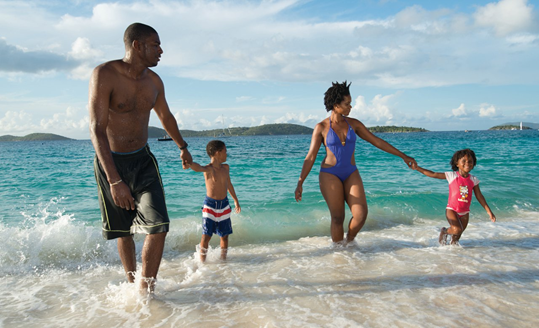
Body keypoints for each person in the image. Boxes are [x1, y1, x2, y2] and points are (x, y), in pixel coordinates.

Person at [89, 22, 192, 293]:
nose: (161, 50)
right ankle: (132, 282)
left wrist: (182, 146)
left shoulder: (154, 81)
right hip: (111, 161)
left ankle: (146, 292)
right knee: (124, 231)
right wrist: (114, 180)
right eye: (155, 44)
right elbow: (96, 129)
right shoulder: (105, 74)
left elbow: (165, 117)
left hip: (143, 160)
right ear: (137, 45)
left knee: (159, 225)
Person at [294, 81, 416, 244]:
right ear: (336, 105)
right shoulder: (321, 127)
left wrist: (403, 156)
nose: (350, 107)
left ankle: (349, 243)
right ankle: (339, 252)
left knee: (361, 214)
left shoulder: (354, 124)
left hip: (351, 172)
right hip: (330, 174)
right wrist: (301, 181)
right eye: (347, 104)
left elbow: (377, 141)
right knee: (338, 218)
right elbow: (310, 157)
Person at [413, 148, 496, 245]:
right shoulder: (452, 176)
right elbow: (433, 174)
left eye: (470, 161)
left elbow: (479, 196)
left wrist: (489, 211)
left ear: (474, 164)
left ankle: (453, 256)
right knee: (456, 229)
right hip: (452, 210)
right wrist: (417, 168)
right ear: (457, 163)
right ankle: (444, 231)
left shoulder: (474, 180)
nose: (467, 163)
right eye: (464, 161)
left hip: (465, 213)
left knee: (456, 240)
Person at [187, 140, 241, 262]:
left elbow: (229, 185)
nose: (227, 154)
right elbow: (198, 167)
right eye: (225, 151)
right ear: (217, 153)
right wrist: (189, 163)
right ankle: (202, 262)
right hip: (210, 205)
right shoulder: (209, 169)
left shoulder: (226, 168)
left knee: (225, 236)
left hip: (224, 204)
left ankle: (223, 261)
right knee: (206, 236)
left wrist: (236, 201)